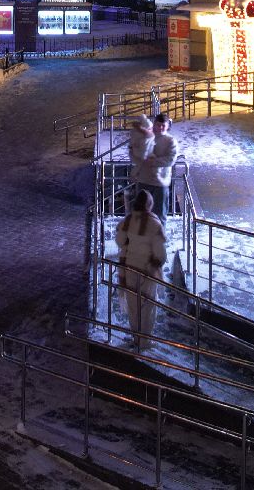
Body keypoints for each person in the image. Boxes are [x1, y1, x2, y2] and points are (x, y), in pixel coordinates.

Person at [114, 189, 166, 348]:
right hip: (147, 270)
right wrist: (157, 263)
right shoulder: (155, 224)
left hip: (129, 268)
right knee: (148, 306)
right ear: (149, 204)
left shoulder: (128, 220)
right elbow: (160, 253)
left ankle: (136, 337)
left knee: (133, 305)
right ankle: (145, 341)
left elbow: (119, 241)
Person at [132, 111, 178, 220]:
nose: (160, 128)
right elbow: (136, 153)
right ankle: (141, 235)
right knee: (141, 213)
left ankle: (159, 235)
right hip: (144, 180)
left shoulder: (170, 141)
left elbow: (171, 159)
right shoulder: (145, 137)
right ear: (155, 124)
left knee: (160, 214)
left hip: (160, 183)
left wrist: (153, 162)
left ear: (167, 126)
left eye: (163, 125)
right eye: (158, 125)